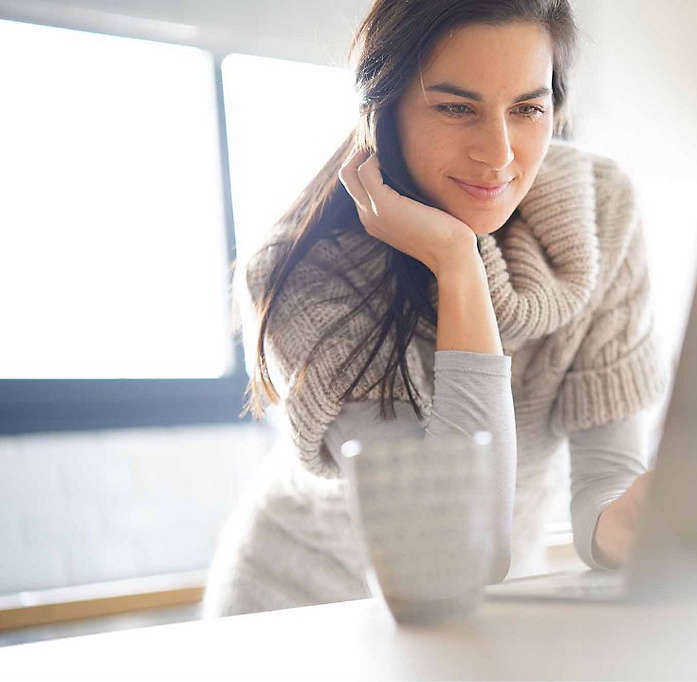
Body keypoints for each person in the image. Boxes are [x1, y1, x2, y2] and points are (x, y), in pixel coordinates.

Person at [202, 0, 667, 617]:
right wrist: (457, 262)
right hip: (303, 611)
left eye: (528, 108)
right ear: (383, 111)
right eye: (456, 107)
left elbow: (603, 481)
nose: (499, 154)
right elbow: (453, 558)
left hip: (481, 614)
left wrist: (636, 519)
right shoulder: (305, 276)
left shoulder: (600, 213)